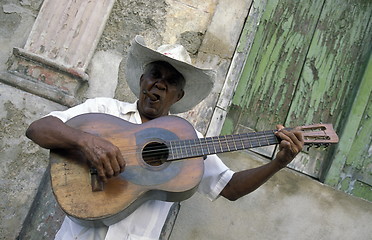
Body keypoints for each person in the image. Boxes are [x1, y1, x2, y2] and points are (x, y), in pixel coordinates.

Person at [26, 35, 304, 240]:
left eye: (170, 82)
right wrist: (86, 142)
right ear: (141, 80)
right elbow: (38, 129)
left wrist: (277, 163)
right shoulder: (103, 111)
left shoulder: (190, 139)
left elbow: (228, 187)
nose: (159, 84)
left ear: (178, 96)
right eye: (155, 75)